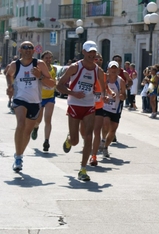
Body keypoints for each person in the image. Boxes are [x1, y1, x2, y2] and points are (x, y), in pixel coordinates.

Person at [57, 41, 106, 181]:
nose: (92, 55)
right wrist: (72, 93)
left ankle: (83, 169)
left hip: (89, 106)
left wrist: (107, 96)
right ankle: (69, 139)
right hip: (74, 104)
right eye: (89, 52)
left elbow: (103, 88)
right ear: (83, 52)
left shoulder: (98, 70)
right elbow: (59, 86)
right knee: (75, 141)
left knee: (88, 136)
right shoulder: (75, 67)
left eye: (94, 52)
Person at [6, 41, 55, 172]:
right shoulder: (14, 65)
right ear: (20, 50)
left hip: (35, 101)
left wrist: (40, 77)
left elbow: (52, 83)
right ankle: (17, 156)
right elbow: (8, 74)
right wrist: (10, 86)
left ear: (34, 51)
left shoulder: (39, 64)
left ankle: (20, 155)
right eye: (25, 47)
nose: (28, 49)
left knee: (27, 131)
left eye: (30, 48)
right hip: (20, 99)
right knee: (20, 124)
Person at [30, 51, 58, 152]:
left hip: (50, 97)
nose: (48, 59)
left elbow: (54, 81)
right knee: (38, 120)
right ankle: (36, 128)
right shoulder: (39, 69)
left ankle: (46, 141)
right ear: (42, 59)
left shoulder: (54, 69)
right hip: (40, 97)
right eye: (46, 58)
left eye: (50, 58)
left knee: (48, 119)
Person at [102, 61, 126, 157]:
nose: (113, 70)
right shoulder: (104, 79)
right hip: (105, 106)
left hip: (116, 108)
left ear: (118, 70)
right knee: (106, 122)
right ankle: (103, 139)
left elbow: (124, 95)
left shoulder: (121, 81)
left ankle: (105, 147)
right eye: (111, 68)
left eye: (115, 68)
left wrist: (122, 96)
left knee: (112, 131)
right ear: (108, 69)